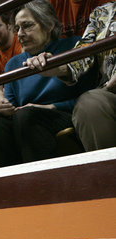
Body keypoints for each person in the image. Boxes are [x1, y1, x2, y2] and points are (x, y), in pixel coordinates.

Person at [0, 0, 96, 167]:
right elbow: (12, 106)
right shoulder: (13, 64)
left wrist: (52, 107)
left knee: (27, 115)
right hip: (25, 117)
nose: (20, 34)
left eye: (27, 26)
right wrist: (5, 107)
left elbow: (88, 95)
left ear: (49, 24)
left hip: (63, 112)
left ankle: (41, 184)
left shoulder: (73, 46)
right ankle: (10, 187)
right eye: (17, 28)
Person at [23, 1, 116, 151]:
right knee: (89, 103)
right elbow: (84, 53)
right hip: (109, 93)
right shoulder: (101, 13)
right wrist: (56, 66)